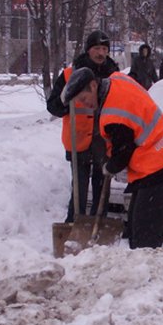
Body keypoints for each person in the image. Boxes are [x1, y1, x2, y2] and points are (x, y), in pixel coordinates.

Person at [63, 67, 163, 248]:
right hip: (161, 154)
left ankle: (148, 269)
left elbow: (123, 153)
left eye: (83, 98)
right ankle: (141, 262)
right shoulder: (117, 79)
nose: (83, 104)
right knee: (137, 225)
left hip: (159, 163)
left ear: (93, 85)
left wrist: (109, 167)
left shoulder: (113, 114)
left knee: (144, 232)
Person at [46, 30, 119, 222]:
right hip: (78, 140)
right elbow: (53, 105)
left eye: (104, 49)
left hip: (104, 142)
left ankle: (98, 228)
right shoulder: (71, 74)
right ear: (88, 50)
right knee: (78, 190)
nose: (101, 53)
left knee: (102, 190)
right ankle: (74, 226)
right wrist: (65, 102)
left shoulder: (115, 76)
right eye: (97, 48)